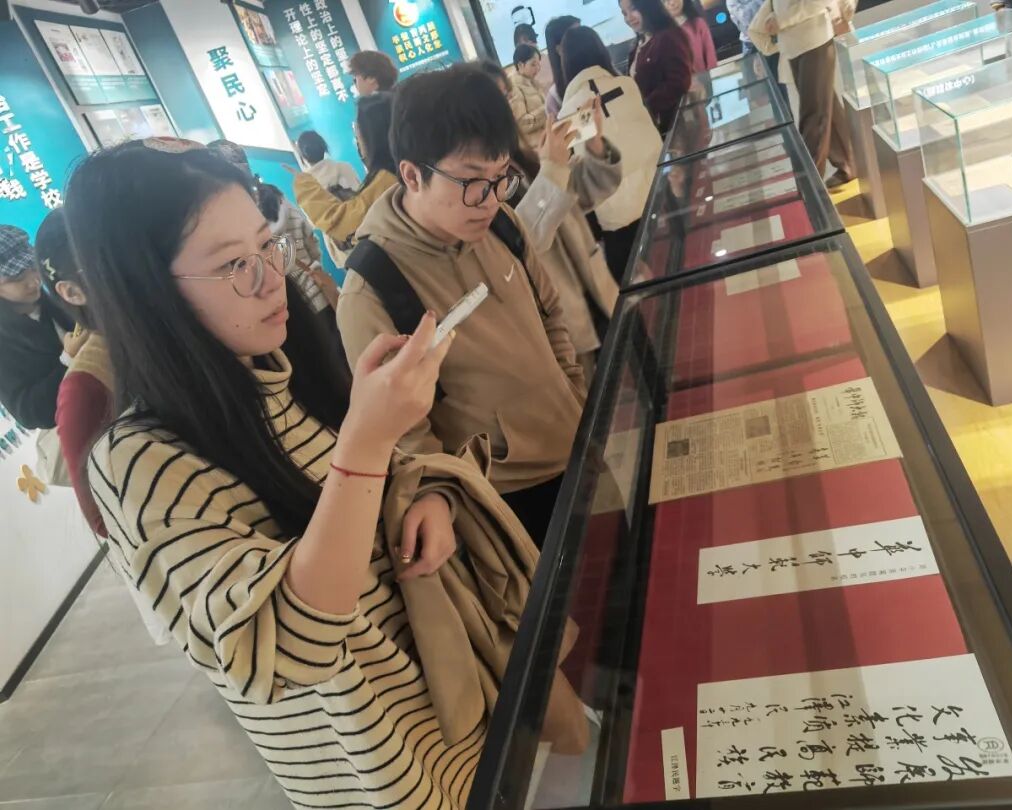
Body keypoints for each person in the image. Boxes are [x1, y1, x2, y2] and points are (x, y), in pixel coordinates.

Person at [67, 138, 587, 807]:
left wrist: (429, 494)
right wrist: (366, 444)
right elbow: (284, 647)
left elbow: (382, 486)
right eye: (233, 265)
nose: (271, 279)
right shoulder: (137, 462)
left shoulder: (281, 372)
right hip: (395, 770)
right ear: (147, 294)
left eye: (268, 246)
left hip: (470, 706)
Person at [338, 65, 586, 547]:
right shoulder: (373, 290)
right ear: (412, 175)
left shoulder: (502, 223)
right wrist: (444, 498)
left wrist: (573, 391)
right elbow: (404, 434)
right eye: (472, 182)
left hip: (577, 440)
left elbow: (550, 313)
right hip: (509, 498)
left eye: (501, 177)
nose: (490, 200)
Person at [479, 61, 622, 381]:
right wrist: (553, 169)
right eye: (494, 100)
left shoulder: (521, 153)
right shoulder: (477, 184)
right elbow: (522, 242)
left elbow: (580, 196)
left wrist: (595, 146)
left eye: (506, 96)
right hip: (562, 318)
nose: (505, 107)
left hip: (593, 291)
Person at [560, 25, 662, 283]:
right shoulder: (626, 85)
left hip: (615, 216)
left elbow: (588, 168)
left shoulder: (571, 111)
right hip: (654, 194)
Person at [35, 209, 111, 536]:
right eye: (107, 262)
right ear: (71, 291)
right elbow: (101, 517)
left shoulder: (180, 317)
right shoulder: (85, 385)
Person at [751, 0, 855, 187]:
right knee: (824, 107)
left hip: (813, 41)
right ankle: (847, 164)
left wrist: (782, 20)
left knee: (813, 115)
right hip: (796, 44)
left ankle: (810, 185)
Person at [292, 93, 400, 260]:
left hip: (354, 246)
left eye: (358, 134)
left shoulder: (385, 179)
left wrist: (302, 184)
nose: (357, 141)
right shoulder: (345, 168)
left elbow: (342, 219)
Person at [0, 225, 77, 430]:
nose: (33, 281)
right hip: (79, 426)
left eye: (33, 267)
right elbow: (29, 413)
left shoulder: (58, 295)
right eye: (17, 278)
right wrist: (68, 359)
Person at [255, 182, 340, 335]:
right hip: (319, 290)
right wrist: (314, 264)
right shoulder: (290, 210)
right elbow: (311, 242)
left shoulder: (259, 234)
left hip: (295, 305)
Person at [622, 0, 694, 134]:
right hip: (653, 127)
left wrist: (645, 107)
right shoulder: (638, 44)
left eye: (633, 9)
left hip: (675, 126)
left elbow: (679, 82)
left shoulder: (668, 36)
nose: (629, 17)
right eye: (624, 13)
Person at [727, 0, 790, 106]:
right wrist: (766, 7)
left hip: (775, 40)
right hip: (751, 45)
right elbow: (748, 19)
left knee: (784, 88)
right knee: (761, 95)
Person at [296, 129, 362, 200]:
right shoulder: (345, 167)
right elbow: (362, 196)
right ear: (323, 148)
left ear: (303, 156)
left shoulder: (308, 186)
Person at [508, 43, 547, 149]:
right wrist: (546, 110)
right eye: (533, 64)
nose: (538, 68)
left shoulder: (533, 82)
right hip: (534, 146)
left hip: (544, 139)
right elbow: (522, 124)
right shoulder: (514, 87)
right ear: (520, 65)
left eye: (538, 64)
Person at [664, 0, 717, 72]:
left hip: (703, 76)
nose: (672, 3)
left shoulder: (698, 23)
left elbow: (710, 55)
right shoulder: (661, 34)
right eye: (665, 0)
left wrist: (711, 74)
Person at [545, 15, 582, 117]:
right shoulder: (554, 98)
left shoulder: (603, 70)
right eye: (576, 37)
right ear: (559, 49)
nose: (585, 40)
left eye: (585, 32)